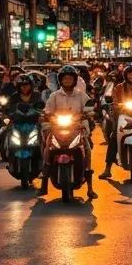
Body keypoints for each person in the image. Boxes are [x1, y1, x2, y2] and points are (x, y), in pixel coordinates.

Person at [41, 65, 96, 199]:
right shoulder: (54, 95)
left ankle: (90, 187)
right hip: (58, 127)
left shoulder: (81, 95)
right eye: (65, 78)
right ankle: (44, 181)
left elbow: (90, 107)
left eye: (70, 78)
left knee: (87, 148)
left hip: (77, 127)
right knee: (47, 146)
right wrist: (47, 115)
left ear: (74, 80)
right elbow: (47, 110)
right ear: (61, 80)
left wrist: (89, 113)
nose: (67, 81)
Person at [99, 62, 132, 182]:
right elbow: (114, 101)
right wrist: (118, 105)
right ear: (126, 75)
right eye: (130, 75)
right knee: (114, 137)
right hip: (122, 115)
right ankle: (107, 169)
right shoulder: (119, 87)